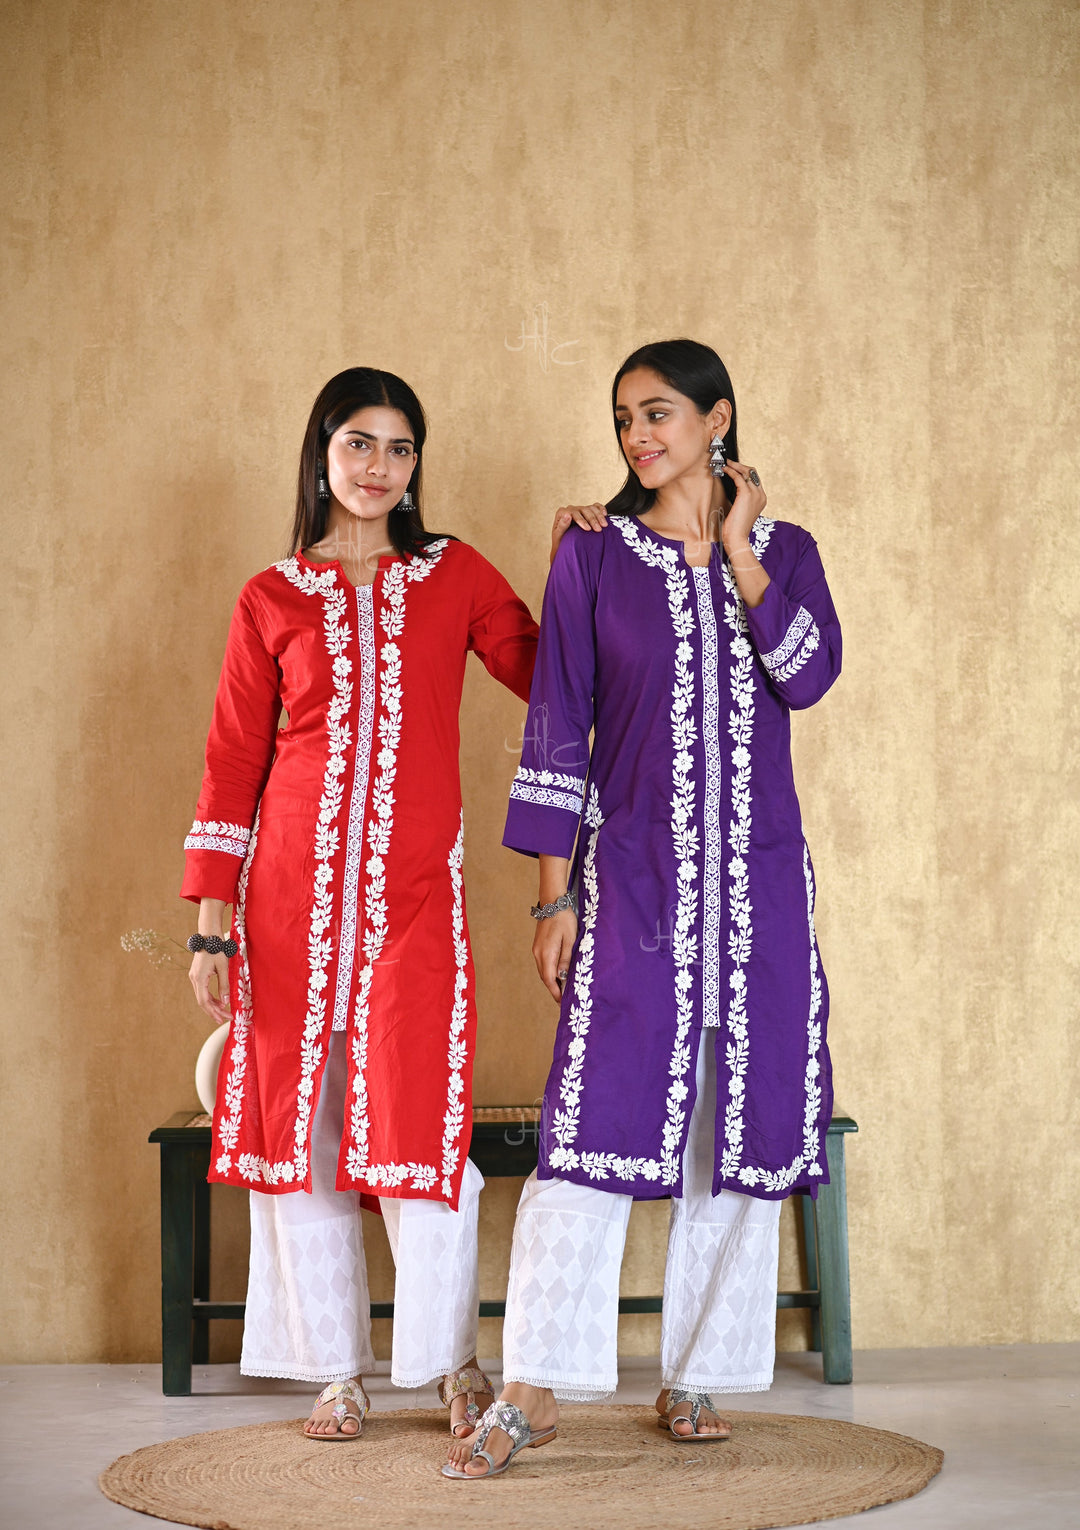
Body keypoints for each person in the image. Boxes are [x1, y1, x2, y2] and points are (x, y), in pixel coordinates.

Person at [445, 338, 842, 1479]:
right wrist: (552, 898)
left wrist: (739, 550)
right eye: (624, 418)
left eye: (658, 413)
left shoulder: (786, 552)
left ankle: (698, 1372)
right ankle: (534, 1384)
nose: (637, 437)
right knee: (589, 1128)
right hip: (632, 885)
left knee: (739, 1126)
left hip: (757, 892)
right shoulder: (592, 554)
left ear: (717, 419)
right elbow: (557, 723)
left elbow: (810, 674)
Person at [183, 367, 547, 1440]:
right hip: (285, 902)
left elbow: (550, 672)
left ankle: (450, 1363)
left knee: (422, 1125)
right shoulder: (271, 597)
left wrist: (586, 564)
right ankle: (333, 1371)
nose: (379, 466)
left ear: (417, 465)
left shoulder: (454, 574)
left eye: (400, 447)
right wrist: (211, 925)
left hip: (414, 899)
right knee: (303, 1130)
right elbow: (232, 763)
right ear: (322, 453)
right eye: (359, 443)